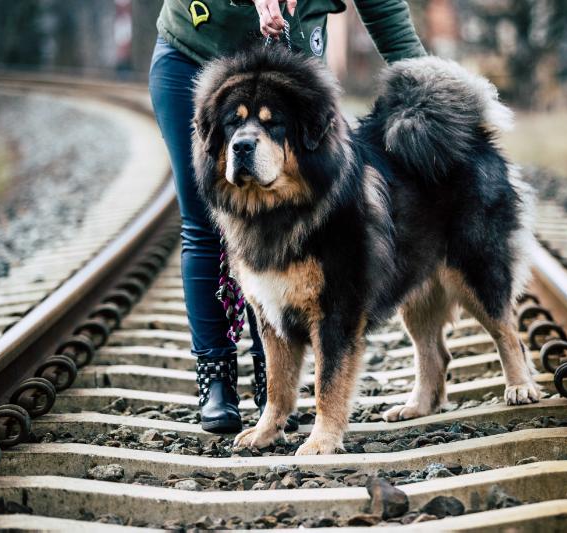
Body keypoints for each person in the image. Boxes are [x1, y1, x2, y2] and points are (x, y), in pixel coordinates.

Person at [148, 0, 426, 434]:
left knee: (309, 216)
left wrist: (426, 83)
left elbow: (382, 5)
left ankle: (272, 390)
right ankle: (216, 380)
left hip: (289, 65)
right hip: (196, 51)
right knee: (204, 225)